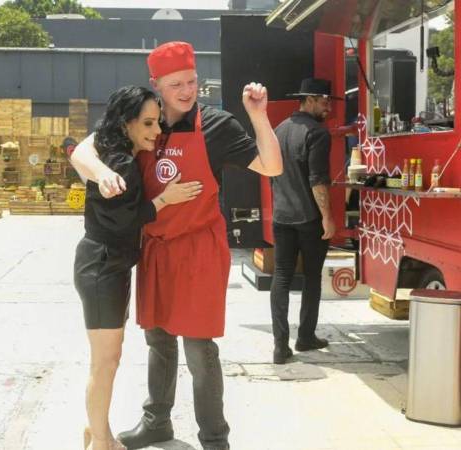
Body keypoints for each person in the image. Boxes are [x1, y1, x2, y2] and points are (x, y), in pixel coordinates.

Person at [71, 41, 282, 450]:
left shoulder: (216, 125)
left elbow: (271, 166)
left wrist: (259, 116)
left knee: (199, 346)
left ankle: (215, 438)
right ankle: (157, 423)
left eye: (192, 81)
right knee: (158, 340)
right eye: (176, 84)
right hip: (154, 248)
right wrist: (100, 173)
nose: (187, 91)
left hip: (199, 248)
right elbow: (83, 150)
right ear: (156, 85)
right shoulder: (143, 119)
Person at [74, 86, 203, 450]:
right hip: (103, 267)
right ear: (126, 123)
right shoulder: (124, 163)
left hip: (105, 265)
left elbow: (84, 150)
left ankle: (95, 430)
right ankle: (101, 441)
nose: (156, 131)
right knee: (105, 361)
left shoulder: (114, 151)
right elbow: (125, 223)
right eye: (147, 123)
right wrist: (165, 199)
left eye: (157, 122)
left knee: (106, 359)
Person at [269, 78, 339, 365]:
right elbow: (318, 180)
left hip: (281, 216)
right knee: (311, 277)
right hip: (309, 218)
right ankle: (306, 336)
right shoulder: (318, 134)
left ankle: (280, 346)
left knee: (282, 276)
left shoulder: (278, 131)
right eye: (325, 100)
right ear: (308, 99)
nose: (329, 106)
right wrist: (327, 217)